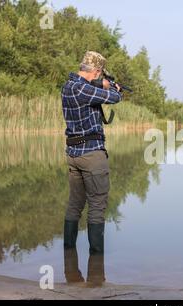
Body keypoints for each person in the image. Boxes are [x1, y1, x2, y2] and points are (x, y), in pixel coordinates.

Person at [61, 51, 122, 254]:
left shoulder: (68, 87)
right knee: (97, 206)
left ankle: (68, 254)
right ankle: (96, 262)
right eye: (99, 74)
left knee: (75, 205)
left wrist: (101, 84)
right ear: (96, 71)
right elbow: (115, 98)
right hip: (92, 155)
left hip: (73, 154)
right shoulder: (83, 90)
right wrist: (111, 86)